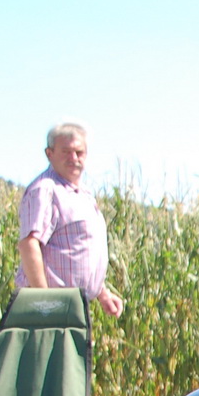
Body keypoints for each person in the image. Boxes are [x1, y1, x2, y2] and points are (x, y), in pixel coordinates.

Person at [15, 122, 123, 317]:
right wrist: (44, 303)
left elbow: (80, 248)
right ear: (49, 154)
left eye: (79, 152)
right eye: (66, 152)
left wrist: (102, 293)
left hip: (74, 305)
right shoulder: (45, 190)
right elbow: (29, 244)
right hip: (51, 307)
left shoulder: (83, 194)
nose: (74, 158)